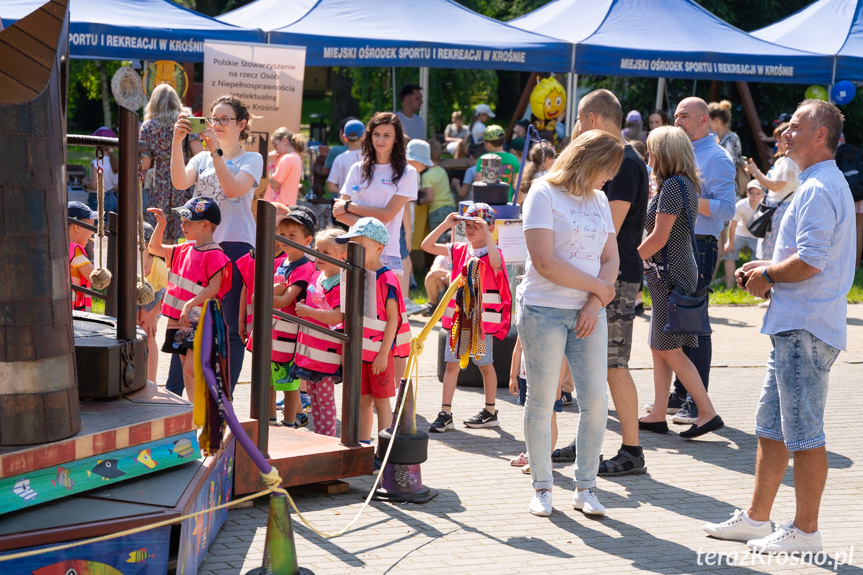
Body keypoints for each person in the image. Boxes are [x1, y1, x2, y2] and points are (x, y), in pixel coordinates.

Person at [706, 100, 855, 554]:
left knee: (805, 432)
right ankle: (756, 518)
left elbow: (811, 261)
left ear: (820, 136)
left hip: (803, 329)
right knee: (771, 427)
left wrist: (769, 276)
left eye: (795, 126)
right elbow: (812, 257)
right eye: (786, 126)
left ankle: (806, 531)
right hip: (797, 325)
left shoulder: (816, 187)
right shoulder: (817, 183)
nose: (784, 133)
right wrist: (769, 265)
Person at [519, 130, 622, 518]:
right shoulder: (543, 192)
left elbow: (611, 258)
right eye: (607, 170)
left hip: (589, 313)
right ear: (590, 162)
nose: (608, 179)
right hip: (544, 309)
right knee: (543, 401)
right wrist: (598, 288)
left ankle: (586, 486)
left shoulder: (599, 199)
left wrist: (595, 302)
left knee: (595, 401)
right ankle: (543, 486)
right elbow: (544, 262)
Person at [558, 89, 650, 478]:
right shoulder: (621, 159)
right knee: (591, 365)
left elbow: (606, 229)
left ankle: (632, 450)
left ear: (593, 119)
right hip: (600, 276)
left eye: (579, 120)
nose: (577, 129)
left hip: (614, 277)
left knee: (613, 364)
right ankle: (588, 440)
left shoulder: (626, 163)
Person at [171, 94, 263, 394]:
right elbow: (180, 182)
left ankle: (223, 396)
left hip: (235, 247)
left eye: (225, 119)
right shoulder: (200, 156)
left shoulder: (252, 159)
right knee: (185, 320)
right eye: (213, 118)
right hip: (201, 247)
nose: (217, 124)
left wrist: (216, 154)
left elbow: (233, 189)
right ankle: (173, 395)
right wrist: (177, 140)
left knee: (229, 327)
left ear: (242, 124)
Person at [636, 126, 724, 440]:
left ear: (663, 153)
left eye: (650, 150)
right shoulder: (682, 183)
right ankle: (658, 413)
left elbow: (659, 237)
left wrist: (628, 264)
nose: (648, 156)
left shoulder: (673, 185)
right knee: (661, 346)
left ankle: (706, 412)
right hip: (669, 275)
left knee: (671, 350)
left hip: (669, 276)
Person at [665, 97, 736, 424]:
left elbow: (727, 209)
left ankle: (697, 400)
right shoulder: (682, 151)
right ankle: (681, 392)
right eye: (676, 115)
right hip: (677, 240)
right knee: (676, 321)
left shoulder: (717, 158)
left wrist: (690, 198)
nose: (677, 121)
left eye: (684, 116)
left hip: (700, 243)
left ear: (705, 120)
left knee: (694, 322)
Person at [422, 204, 511, 433]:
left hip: (480, 325)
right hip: (458, 322)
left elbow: (496, 264)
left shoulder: (494, 251)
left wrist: (488, 236)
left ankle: (490, 412)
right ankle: (446, 413)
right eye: (467, 225)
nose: (470, 229)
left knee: (484, 365)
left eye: (476, 225)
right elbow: (426, 246)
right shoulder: (459, 248)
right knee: (451, 365)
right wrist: (445, 224)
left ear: (490, 227)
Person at [335, 218, 411, 448]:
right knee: (362, 400)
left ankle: (385, 450)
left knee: (381, 401)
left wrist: (382, 354)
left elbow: (393, 319)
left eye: (360, 246)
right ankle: (363, 445)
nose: (353, 251)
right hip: (359, 351)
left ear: (379, 248)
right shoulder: (353, 274)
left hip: (379, 353)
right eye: (351, 246)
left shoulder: (387, 278)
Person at [148, 198, 231, 400]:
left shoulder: (215, 254)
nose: (183, 225)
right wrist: (161, 225)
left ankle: (214, 404)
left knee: (192, 368)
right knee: (187, 369)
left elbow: (214, 287)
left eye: (188, 222)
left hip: (200, 318)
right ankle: (194, 412)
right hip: (180, 319)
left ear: (205, 225)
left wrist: (190, 304)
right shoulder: (182, 249)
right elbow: (154, 248)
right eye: (183, 221)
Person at [293, 228, 347, 437]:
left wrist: (308, 311)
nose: (318, 256)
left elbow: (337, 317)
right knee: (313, 397)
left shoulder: (341, 284)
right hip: (310, 352)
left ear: (342, 257)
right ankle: (319, 434)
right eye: (316, 250)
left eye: (326, 253)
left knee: (324, 399)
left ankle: (327, 436)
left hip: (326, 355)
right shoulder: (317, 275)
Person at [269, 209, 317, 427]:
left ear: (307, 240)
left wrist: (269, 293)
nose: (285, 240)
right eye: (282, 234)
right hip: (273, 331)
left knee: (288, 384)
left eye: (292, 236)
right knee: (268, 381)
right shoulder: (281, 263)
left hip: (289, 336)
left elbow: (283, 300)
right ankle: (269, 421)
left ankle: (290, 423)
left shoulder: (304, 267)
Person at [745, 122, 800, 261]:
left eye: (780, 141)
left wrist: (755, 172)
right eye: (777, 140)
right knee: (772, 249)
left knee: (775, 251)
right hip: (776, 210)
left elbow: (775, 186)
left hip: (780, 211)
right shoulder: (784, 161)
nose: (777, 145)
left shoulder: (789, 162)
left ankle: (772, 279)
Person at [140, 84, 185, 241]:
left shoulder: (148, 126)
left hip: (160, 179)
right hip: (183, 176)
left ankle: (160, 262)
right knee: (182, 224)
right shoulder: (185, 121)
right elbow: (198, 150)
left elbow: (144, 164)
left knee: (159, 226)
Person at [138, 222, 167, 382]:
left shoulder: (160, 267)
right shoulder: (127, 261)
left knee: (147, 332)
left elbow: (173, 292)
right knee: (132, 330)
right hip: (134, 292)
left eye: (139, 244)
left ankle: (151, 380)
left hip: (155, 293)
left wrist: (153, 315)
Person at [722, 180, 763, 289]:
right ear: (746, 193)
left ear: (763, 194)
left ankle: (754, 287)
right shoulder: (740, 204)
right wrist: (730, 243)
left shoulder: (766, 204)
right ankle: (729, 286)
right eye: (751, 193)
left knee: (760, 259)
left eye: (758, 193)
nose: (754, 196)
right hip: (740, 233)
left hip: (758, 237)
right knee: (728, 253)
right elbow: (733, 224)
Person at [473, 125, 521, 203]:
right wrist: (514, 205)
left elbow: (478, 183)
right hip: (506, 203)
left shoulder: (484, 158)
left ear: (488, 144)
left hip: (485, 204)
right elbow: (518, 186)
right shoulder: (513, 159)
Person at [419, 140, 456, 231]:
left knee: (437, 241)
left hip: (437, 210)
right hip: (451, 207)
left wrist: (418, 201)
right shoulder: (442, 171)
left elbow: (430, 198)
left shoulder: (426, 176)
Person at [82, 128, 119, 217]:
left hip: (98, 199)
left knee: (97, 227)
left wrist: (86, 182)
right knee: (109, 227)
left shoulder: (96, 163)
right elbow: (116, 185)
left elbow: (95, 185)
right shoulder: (114, 162)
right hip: (112, 198)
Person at [68, 201, 98, 313]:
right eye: (90, 227)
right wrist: (104, 259)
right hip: (76, 312)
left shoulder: (63, 247)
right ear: (77, 227)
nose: (92, 233)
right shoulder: (75, 251)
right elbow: (95, 278)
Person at [266, 128, 306, 206]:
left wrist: (272, 163)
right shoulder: (296, 158)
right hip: (287, 204)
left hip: (278, 206)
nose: (275, 149)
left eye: (275, 144)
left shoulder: (286, 159)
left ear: (284, 140)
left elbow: (274, 184)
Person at [326, 119, 365, 195]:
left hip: (344, 203)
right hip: (364, 205)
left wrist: (346, 191)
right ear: (364, 136)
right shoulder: (369, 157)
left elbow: (331, 186)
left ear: (345, 137)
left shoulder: (339, 158)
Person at [708, 100, 742, 166]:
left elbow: (730, 165)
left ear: (716, 120)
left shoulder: (732, 139)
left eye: (709, 121)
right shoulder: (718, 138)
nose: (708, 125)